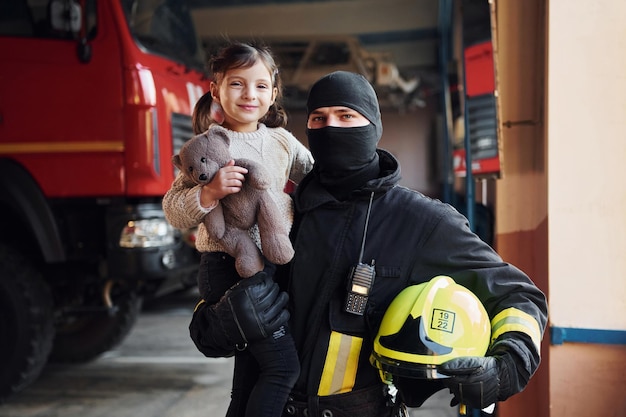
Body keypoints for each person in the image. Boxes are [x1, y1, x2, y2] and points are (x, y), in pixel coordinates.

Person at [188, 71, 548, 417]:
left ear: (373, 126)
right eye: (318, 118)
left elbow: (518, 296)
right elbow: (207, 324)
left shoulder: (420, 221)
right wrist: (223, 323)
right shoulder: (278, 214)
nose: (331, 127)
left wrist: (504, 368)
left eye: (346, 115)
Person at [163, 42, 314, 417]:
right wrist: (209, 192)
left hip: (274, 267)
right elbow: (173, 211)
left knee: (252, 373)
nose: (250, 94)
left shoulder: (281, 141)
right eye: (237, 84)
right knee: (283, 369)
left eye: (261, 86)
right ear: (215, 89)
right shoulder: (203, 148)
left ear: (273, 93)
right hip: (227, 268)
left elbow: (315, 177)